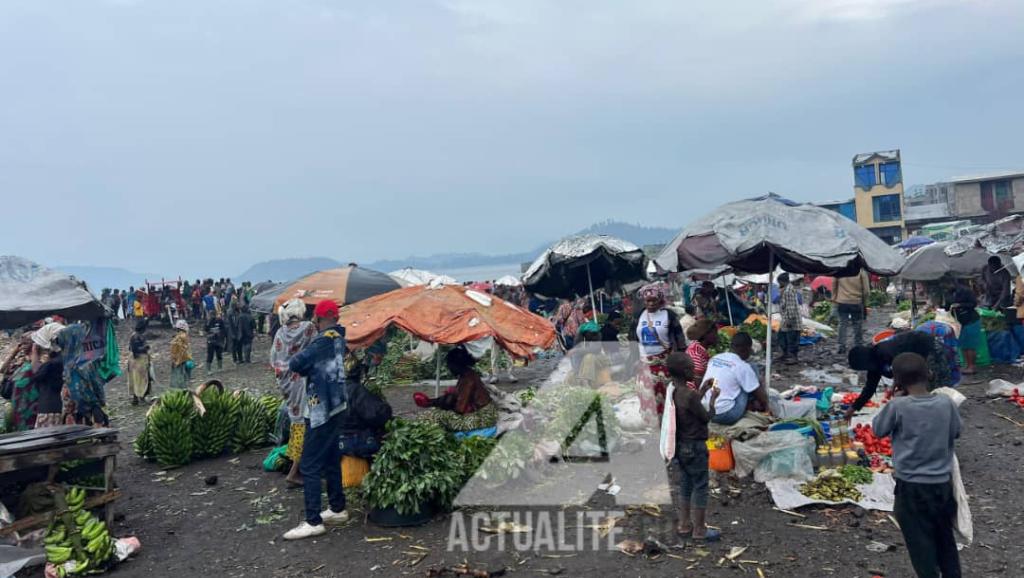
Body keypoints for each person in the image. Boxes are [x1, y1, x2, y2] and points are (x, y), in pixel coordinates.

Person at [873, 353, 961, 578]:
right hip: (942, 485)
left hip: (911, 488)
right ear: (929, 374)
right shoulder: (946, 402)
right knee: (945, 539)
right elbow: (957, 432)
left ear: (897, 381)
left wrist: (896, 398)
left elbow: (878, 429)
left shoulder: (898, 406)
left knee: (920, 543)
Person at [283, 299, 349, 541]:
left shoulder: (323, 340)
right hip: (338, 404)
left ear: (318, 319)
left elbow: (296, 363)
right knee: (331, 458)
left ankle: (313, 521)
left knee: (309, 464)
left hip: (321, 408)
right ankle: (337, 507)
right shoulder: (340, 337)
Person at [666, 352, 721, 542]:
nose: (695, 370)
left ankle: (684, 525)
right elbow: (705, 416)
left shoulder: (673, 390)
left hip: (680, 446)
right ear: (683, 371)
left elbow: (688, 406)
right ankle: (699, 530)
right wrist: (712, 400)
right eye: (691, 368)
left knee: (685, 485)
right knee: (700, 486)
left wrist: (703, 390)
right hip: (695, 447)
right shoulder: (689, 394)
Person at [844, 330, 955, 421]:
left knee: (936, 386)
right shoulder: (874, 364)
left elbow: (908, 369)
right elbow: (870, 388)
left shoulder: (884, 352)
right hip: (915, 358)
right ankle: (930, 415)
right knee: (918, 392)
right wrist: (853, 408)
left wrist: (901, 388)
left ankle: (942, 416)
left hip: (928, 350)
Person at [270, 299, 319, 487]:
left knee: (296, 420)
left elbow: (274, 359)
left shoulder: (279, 333)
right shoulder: (307, 328)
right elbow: (317, 348)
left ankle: (297, 465)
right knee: (303, 424)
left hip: (287, 383)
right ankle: (294, 471)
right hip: (302, 382)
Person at [631, 283, 685, 424]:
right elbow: (634, 340)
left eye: (654, 300)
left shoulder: (669, 315)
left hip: (665, 364)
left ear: (660, 300)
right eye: (647, 301)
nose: (650, 303)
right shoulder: (639, 316)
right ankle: (653, 427)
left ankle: (670, 425)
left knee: (667, 396)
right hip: (645, 364)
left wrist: (679, 360)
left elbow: (679, 340)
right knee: (648, 397)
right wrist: (634, 360)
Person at [413, 347, 497, 432]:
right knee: (436, 412)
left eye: (449, 365)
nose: (449, 369)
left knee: (435, 416)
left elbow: (459, 409)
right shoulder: (467, 374)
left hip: (484, 417)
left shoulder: (468, 380)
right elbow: (455, 396)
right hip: (487, 412)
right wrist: (432, 401)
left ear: (455, 365)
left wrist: (441, 405)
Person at [700, 332, 769, 425]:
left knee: (736, 380)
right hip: (725, 414)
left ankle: (751, 404)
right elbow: (760, 394)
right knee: (752, 369)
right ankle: (753, 405)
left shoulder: (716, 358)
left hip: (705, 410)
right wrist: (767, 408)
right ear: (748, 349)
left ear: (732, 346)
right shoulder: (742, 366)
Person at [25, 324, 66, 428]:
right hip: (57, 407)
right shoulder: (64, 360)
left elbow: (36, 376)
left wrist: (35, 354)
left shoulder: (51, 364)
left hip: (48, 409)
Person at [947, 280, 980, 375]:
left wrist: (960, 305)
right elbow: (947, 305)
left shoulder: (965, 291)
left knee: (970, 345)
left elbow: (973, 304)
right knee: (963, 345)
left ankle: (972, 367)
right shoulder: (950, 293)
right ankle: (967, 366)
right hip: (960, 322)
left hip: (971, 320)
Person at [833, 269, 870, 354]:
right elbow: (866, 290)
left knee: (842, 324)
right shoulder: (860, 271)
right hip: (856, 301)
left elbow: (834, 284)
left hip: (842, 301)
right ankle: (858, 345)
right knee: (857, 324)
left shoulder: (840, 269)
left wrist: (834, 298)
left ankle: (841, 346)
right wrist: (864, 301)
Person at [685, 320, 717, 390]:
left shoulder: (699, 347)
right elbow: (699, 383)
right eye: (715, 333)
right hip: (693, 393)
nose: (716, 336)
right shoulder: (695, 353)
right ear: (705, 335)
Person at [777, 273, 802, 365]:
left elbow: (791, 307)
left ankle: (793, 357)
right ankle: (785, 354)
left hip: (791, 320)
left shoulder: (789, 291)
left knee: (792, 338)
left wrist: (789, 321)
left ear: (782, 281)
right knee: (781, 336)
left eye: (779, 282)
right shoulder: (786, 290)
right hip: (786, 319)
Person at [127, 319, 152, 405]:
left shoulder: (135, 336)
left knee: (134, 379)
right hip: (138, 361)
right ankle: (141, 397)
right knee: (141, 379)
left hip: (134, 361)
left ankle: (136, 397)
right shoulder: (137, 337)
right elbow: (135, 349)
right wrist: (145, 348)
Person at [169, 320, 193, 389]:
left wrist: (175, 361)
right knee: (184, 377)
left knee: (178, 377)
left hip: (178, 360)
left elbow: (175, 351)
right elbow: (184, 350)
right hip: (183, 360)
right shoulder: (183, 336)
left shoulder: (177, 337)